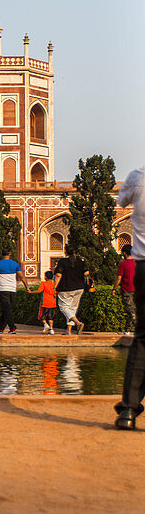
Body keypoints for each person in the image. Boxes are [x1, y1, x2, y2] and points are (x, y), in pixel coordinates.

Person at [114, 166, 145, 430]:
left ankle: (128, 411)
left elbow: (120, 201)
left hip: (143, 267)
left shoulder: (138, 177)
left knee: (143, 340)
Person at [0, 248, 30, 333]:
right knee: (7, 308)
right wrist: (27, 286)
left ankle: (12, 327)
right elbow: (21, 276)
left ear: (2, 254)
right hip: (12, 289)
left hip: (3, 289)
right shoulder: (15, 264)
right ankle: (0, 328)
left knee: (6, 308)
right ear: (10, 254)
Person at [53, 243, 91, 335]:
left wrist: (54, 287)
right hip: (79, 287)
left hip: (66, 288)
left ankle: (78, 323)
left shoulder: (63, 261)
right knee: (72, 309)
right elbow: (86, 273)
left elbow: (58, 275)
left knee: (64, 307)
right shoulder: (80, 261)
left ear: (65, 252)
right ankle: (68, 330)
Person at [112, 243, 136, 336]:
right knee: (130, 310)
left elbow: (119, 278)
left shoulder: (123, 263)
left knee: (131, 311)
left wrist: (114, 288)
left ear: (125, 253)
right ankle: (127, 328)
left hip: (127, 290)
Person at [37, 270, 57, 334]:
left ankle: (46, 325)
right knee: (50, 316)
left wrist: (30, 292)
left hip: (45, 302)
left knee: (42, 316)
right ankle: (51, 329)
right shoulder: (55, 284)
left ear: (45, 277)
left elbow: (39, 291)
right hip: (53, 303)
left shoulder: (44, 283)